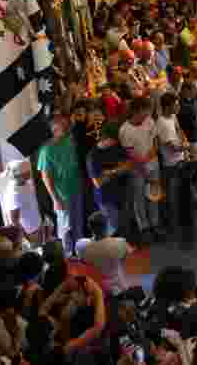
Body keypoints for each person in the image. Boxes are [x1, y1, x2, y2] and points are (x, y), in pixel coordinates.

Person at [38, 113, 85, 256]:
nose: (66, 127)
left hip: (76, 190)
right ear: (53, 127)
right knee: (66, 227)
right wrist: (55, 199)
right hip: (62, 195)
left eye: (66, 124)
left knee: (78, 224)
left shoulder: (70, 141)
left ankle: (80, 251)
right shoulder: (46, 150)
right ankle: (68, 254)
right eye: (62, 124)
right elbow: (46, 177)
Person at [119, 96, 162, 243]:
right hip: (137, 170)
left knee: (153, 196)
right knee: (139, 199)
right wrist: (143, 167)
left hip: (153, 165)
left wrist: (149, 158)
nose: (147, 115)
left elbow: (156, 143)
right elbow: (131, 155)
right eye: (145, 112)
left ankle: (155, 224)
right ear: (137, 111)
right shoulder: (125, 130)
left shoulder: (149, 121)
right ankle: (144, 228)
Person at [87, 120, 133, 236]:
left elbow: (129, 165)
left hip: (121, 193)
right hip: (106, 198)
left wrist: (110, 172)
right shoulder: (93, 156)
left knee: (122, 227)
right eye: (113, 140)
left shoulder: (116, 147)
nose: (115, 143)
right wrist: (118, 170)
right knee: (112, 228)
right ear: (105, 138)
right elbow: (98, 182)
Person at [156, 92, 191, 232]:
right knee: (170, 197)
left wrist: (184, 139)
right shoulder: (161, 124)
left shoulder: (173, 116)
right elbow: (172, 147)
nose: (178, 107)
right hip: (170, 165)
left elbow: (179, 128)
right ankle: (169, 224)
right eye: (175, 105)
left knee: (181, 193)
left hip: (180, 160)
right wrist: (185, 147)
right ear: (167, 107)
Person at [78, 211, 133, 295]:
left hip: (96, 289)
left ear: (89, 227)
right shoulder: (120, 242)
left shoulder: (81, 246)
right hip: (120, 287)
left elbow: (82, 261)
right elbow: (124, 259)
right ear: (106, 226)